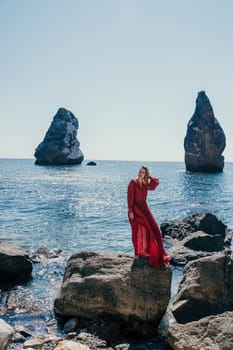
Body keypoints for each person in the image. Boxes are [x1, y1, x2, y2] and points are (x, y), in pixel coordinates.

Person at [127, 165, 170, 268]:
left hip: (145, 209)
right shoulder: (133, 182)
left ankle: (148, 251)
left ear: (145, 174)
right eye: (140, 171)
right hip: (135, 209)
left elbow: (156, 183)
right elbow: (129, 197)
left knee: (153, 229)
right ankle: (137, 253)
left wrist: (149, 176)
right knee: (136, 231)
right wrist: (130, 210)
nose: (140, 173)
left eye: (143, 172)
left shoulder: (146, 185)